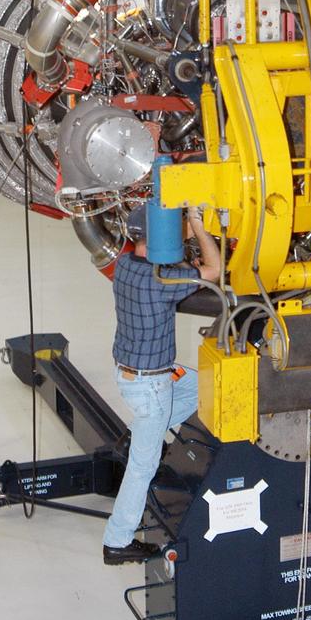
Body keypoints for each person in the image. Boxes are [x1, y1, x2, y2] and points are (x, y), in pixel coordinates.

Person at [103, 205, 221, 566]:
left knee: (209, 387)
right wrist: (199, 227)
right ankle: (117, 541)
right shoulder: (163, 282)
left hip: (134, 376)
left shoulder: (123, 266)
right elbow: (214, 270)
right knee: (143, 465)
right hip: (151, 387)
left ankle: (144, 429)